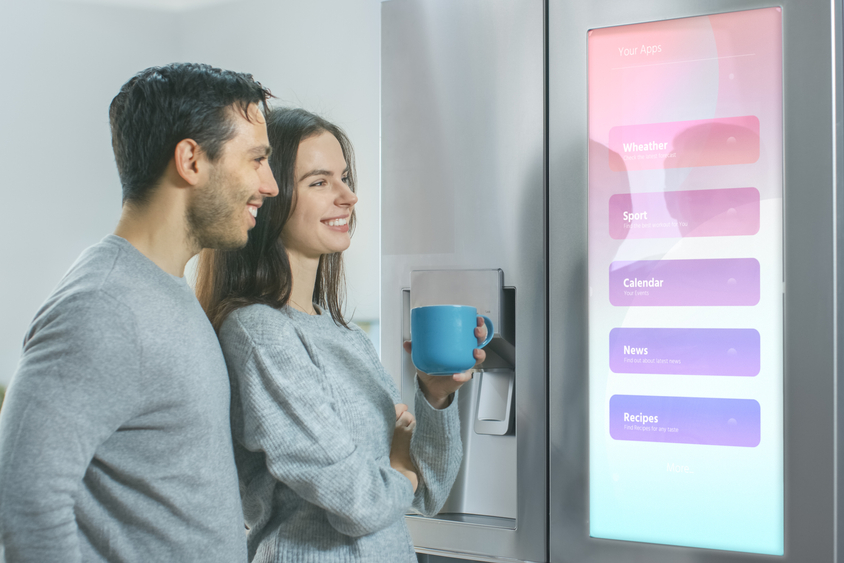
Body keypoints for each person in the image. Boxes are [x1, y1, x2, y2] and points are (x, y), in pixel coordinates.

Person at [0, 63, 279, 562]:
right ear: (191, 160)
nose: (270, 184)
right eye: (256, 159)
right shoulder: (102, 307)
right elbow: (24, 503)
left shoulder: (164, 291)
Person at [196, 107, 483, 562]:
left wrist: (435, 395)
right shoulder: (258, 332)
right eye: (319, 181)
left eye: (344, 178)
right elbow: (360, 502)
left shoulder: (341, 334)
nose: (347, 195)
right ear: (270, 198)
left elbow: (425, 494)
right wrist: (398, 468)